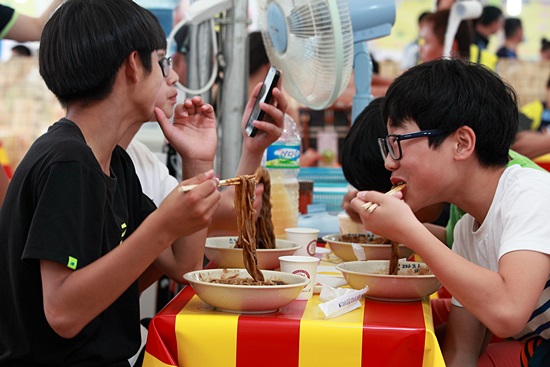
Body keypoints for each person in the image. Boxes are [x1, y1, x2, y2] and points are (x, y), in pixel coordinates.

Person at [0, 1, 229, 365]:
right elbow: (62, 313)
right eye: (161, 61)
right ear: (133, 66)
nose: (170, 77)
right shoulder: (67, 161)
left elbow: (183, 266)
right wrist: (161, 226)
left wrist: (197, 161)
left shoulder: (115, 163)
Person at [349, 58, 550, 367]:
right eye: (386, 147)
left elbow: (508, 312)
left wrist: (410, 231)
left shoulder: (531, 193)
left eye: (397, 143)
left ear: (461, 143)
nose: (389, 163)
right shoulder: (467, 229)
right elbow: (463, 352)